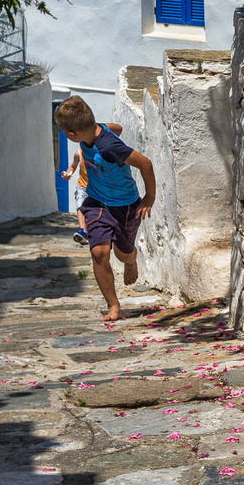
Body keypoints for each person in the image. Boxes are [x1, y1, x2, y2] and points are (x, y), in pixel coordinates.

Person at [53, 95, 155, 323]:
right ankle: (113, 305)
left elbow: (145, 164)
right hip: (97, 202)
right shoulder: (93, 131)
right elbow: (116, 127)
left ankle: (131, 260)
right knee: (99, 252)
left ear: (72, 134)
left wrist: (149, 196)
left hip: (126, 206)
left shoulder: (110, 147)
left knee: (123, 254)